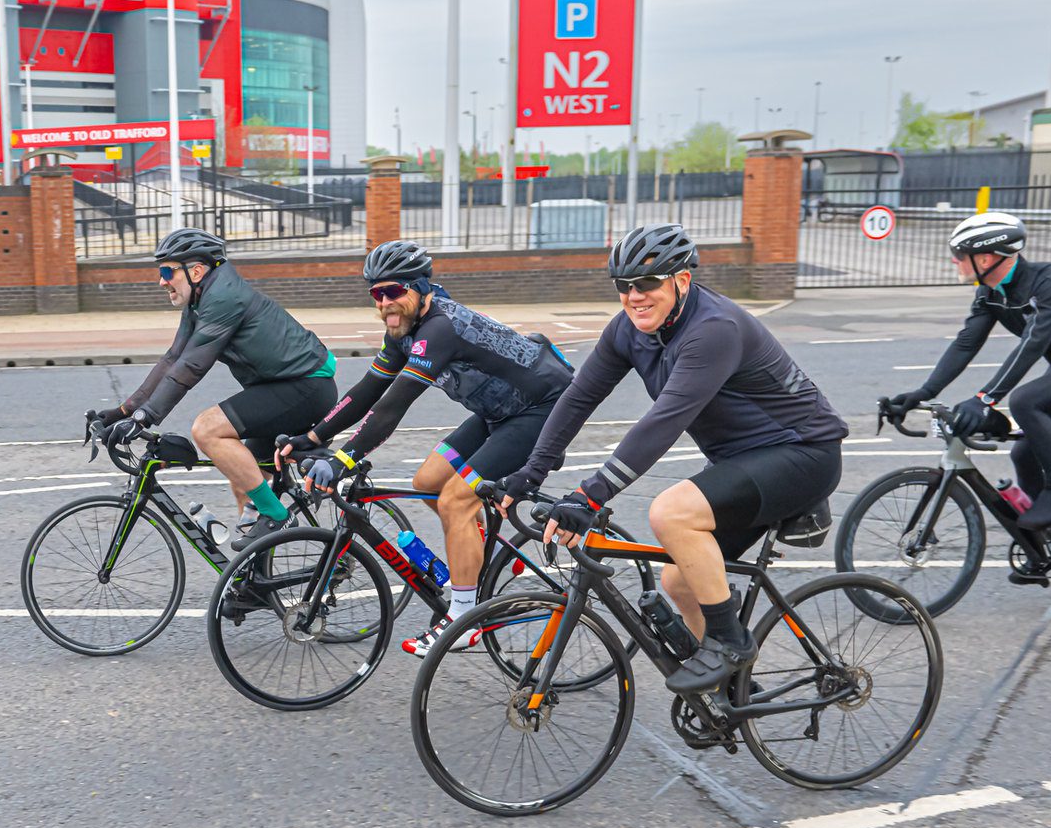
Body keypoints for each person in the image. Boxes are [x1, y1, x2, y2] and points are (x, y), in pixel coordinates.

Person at [500, 223, 848, 694]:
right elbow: (580, 397)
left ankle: (729, 641)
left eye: (646, 284)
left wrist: (589, 495)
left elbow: (661, 423)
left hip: (803, 454)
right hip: (741, 461)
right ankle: (735, 696)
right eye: (623, 287)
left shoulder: (713, 330)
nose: (633, 297)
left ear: (681, 281)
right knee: (680, 582)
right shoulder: (629, 328)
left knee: (671, 514)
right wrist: (530, 470)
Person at [278, 239, 574, 656]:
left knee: (456, 500)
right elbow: (367, 391)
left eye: (395, 291)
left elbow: (392, 408)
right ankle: (482, 560)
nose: (385, 303)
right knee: (429, 481)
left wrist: (345, 457)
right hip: (500, 413)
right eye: (377, 295)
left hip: (543, 412)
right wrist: (311, 437)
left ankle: (465, 617)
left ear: (422, 290)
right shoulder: (403, 331)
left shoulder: (439, 329)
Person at [887, 211, 1051, 536]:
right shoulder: (991, 293)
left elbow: (1033, 345)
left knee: (1025, 401)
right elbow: (966, 344)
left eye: (959, 255)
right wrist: (922, 393)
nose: (954, 262)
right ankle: (1045, 543)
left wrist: (984, 399)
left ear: (985, 257)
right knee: (1025, 451)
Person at [93, 228, 339, 550]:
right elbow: (173, 359)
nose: (161, 281)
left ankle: (277, 516)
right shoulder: (200, 301)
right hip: (282, 385)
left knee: (207, 429)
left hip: (307, 385)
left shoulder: (224, 297)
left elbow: (193, 365)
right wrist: (124, 411)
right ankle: (252, 578)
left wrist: (144, 418)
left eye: (167, 271)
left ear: (195, 271)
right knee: (245, 479)